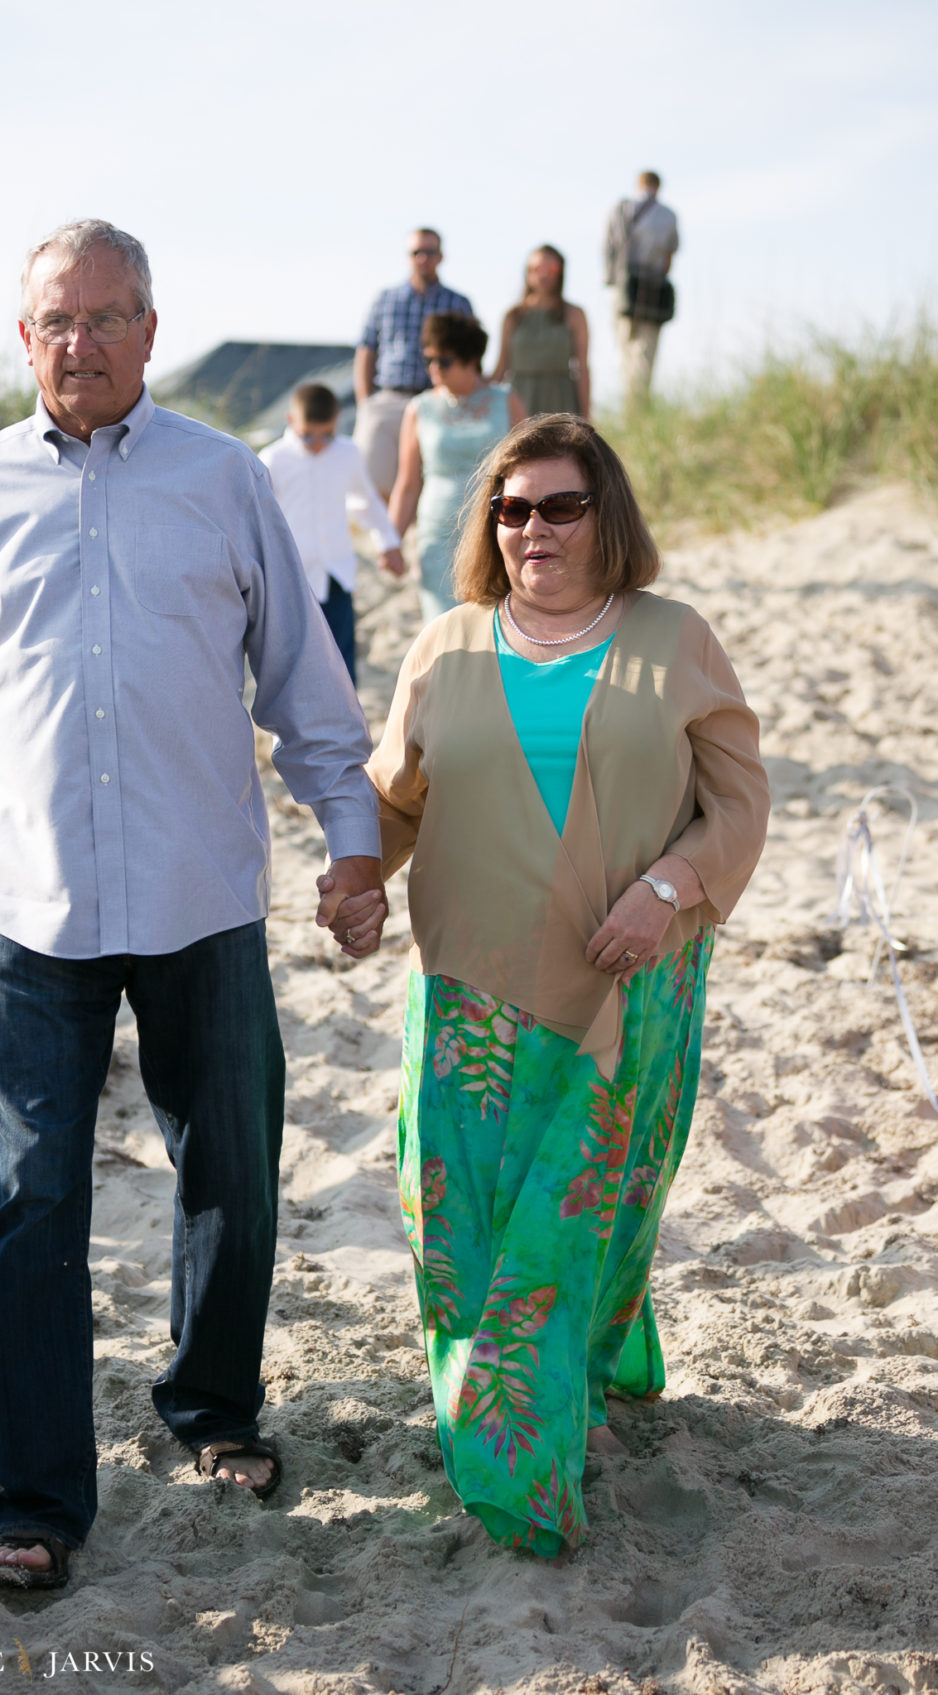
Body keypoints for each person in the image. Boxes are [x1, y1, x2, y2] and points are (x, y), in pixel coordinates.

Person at [0, 220, 388, 1591]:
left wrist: (349, 842)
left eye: (108, 317)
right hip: (28, 906)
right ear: (22, 338)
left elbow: (298, 679)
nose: (81, 341)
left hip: (201, 890)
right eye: (57, 320)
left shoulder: (223, 480)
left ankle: (211, 1408)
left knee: (230, 1162)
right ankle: (36, 1495)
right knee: (30, 1198)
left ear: (150, 331)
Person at [327, 413, 769, 1557]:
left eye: (559, 505)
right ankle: (510, 1429)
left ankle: (529, 1439)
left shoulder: (672, 641)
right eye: (510, 508)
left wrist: (669, 890)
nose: (532, 528)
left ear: (602, 515)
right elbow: (395, 799)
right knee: (462, 1238)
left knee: (581, 1225)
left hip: (620, 995)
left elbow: (737, 805)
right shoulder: (446, 646)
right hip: (466, 995)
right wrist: (359, 876)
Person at [258, 383, 404, 682]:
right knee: (293, 662)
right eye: (308, 436)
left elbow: (366, 501)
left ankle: (344, 723)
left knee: (340, 660)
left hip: (337, 572)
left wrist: (388, 543)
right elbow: (256, 517)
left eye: (328, 434)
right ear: (291, 421)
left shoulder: (347, 453)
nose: (319, 444)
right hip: (291, 576)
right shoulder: (273, 459)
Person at [389, 313, 525, 624]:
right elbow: (407, 483)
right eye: (429, 360)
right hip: (437, 532)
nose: (434, 369)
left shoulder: (506, 401)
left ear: (470, 359)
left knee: (493, 623)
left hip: (495, 529)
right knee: (443, 627)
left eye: (444, 361)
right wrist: (391, 540)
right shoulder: (418, 409)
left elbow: (528, 470)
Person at [353, 230, 474, 500]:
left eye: (429, 252)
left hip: (437, 400)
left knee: (428, 482)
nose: (423, 258)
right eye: (416, 252)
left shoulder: (457, 303)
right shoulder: (385, 299)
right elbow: (366, 351)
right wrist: (365, 402)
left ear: (440, 257)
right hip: (389, 399)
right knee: (371, 482)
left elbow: (471, 358)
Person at [604, 172, 679, 405]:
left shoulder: (621, 209)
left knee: (625, 349)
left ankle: (631, 404)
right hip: (653, 285)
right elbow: (669, 255)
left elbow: (608, 248)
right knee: (645, 353)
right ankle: (638, 406)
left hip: (624, 285)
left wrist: (612, 281)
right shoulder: (668, 215)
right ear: (658, 186)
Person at [492, 245, 590, 418]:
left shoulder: (574, 315)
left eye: (550, 269)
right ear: (527, 273)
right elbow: (501, 368)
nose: (543, 275)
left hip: (561, 400)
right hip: (521, 400)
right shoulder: (513, 316)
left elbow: (582, 368)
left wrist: (587, 416)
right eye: (536, 269)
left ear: (560, 272)